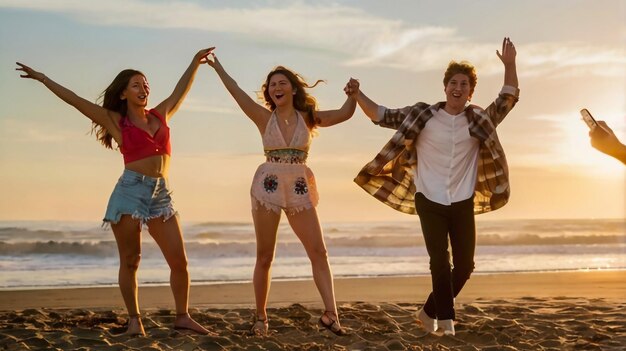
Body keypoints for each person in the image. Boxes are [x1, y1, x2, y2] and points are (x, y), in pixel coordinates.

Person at [15, 47, 215, 336]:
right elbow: (76, 101)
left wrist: (194, 62)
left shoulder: (161, 114)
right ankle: (134, 320)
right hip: (130, 191)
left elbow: (181, 89)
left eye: (145, 84)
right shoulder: (116, 121)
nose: (143, 88)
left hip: (161, 194)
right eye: (136, 84)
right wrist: (44, 79)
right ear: (123, 93)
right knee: (132, 260)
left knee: (179, 261)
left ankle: (182, 316)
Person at [347, 37, 519, 336]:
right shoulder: (422, 115)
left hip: (462, 200)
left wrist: (510, 65)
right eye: (454, 82)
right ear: (445, 87)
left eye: (465, 84)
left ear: (470, 92)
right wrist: (358, 94)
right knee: (439, 260)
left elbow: (508, 98)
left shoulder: (478, 119)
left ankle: (428, 311)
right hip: (428, 198)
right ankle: (446, 324)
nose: (458, 88)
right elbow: (381, 115)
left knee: (465, 266)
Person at [205, 52, 357, 336]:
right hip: (269, 186)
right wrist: (218, 67)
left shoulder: (309, 118)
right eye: (272, 84)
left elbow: (345, 113)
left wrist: (354, 94)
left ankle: (331, 314)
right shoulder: (264, 118)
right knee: (265, 256)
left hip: (299, 186)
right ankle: (261, 318)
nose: (276, 87)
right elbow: (236, 92)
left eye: (282, 82)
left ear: (293, 88)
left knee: (319, 251)